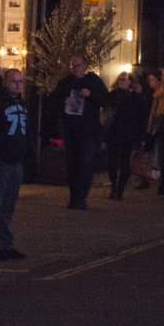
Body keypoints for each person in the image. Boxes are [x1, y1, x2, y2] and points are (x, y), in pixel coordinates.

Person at [0, 65, 36, 262]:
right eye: (14, 81)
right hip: (0, 161)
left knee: (8, 205)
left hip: (16, 162)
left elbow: (26, 131)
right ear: (5, 82)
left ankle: (5, 243)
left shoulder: (22, 103)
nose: (18, 85)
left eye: (21, 82)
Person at [50, 57, 108, 211]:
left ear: (85, 66)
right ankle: (74, 197)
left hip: (89, 131)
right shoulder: (65, 82)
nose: (75, 68)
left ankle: (81, 197)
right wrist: (64, 100)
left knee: (85, 162)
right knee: (73, 164)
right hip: (71, 130)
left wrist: (91, 95)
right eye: (73, 66)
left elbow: (105, 99)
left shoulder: (93, 81)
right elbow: (54, 100)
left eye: (78, 65)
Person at [103, 72, 149, 200]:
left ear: (130, 82)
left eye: (124, 80)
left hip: (128, 133)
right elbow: (107, 108)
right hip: (114, 132)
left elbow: (141, 116)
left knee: (125, 162)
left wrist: (140, 136)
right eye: (120, 79)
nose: (121, 82)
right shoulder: (113, 95)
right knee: (112, 161)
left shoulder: (134, 98)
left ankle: (120, 188)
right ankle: (114, 186)